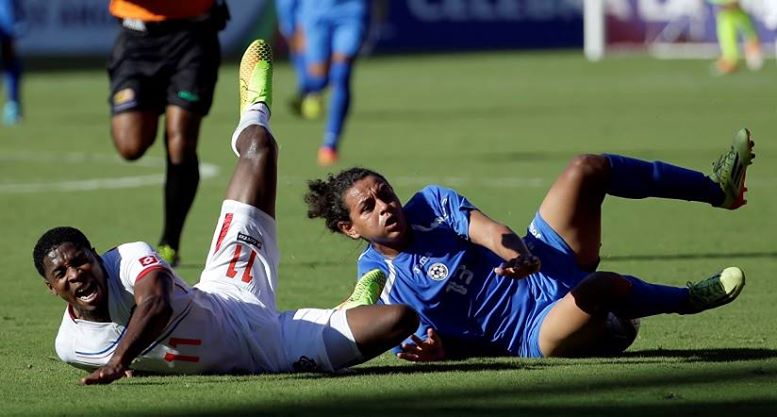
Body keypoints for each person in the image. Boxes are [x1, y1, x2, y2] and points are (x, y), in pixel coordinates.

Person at [32, 40, 418, 385]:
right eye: (61, 274)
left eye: (80, 261)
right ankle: (346, 311)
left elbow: (157, 304)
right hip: (272, 349)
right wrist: (132, 363)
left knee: (260, 148)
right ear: (52, 289)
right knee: (399, 319)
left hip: (231, 291)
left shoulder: (127, 258)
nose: (75, 274)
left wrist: (120, 361)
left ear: (96, 257)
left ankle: (254, 108)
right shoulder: (71, 346)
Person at [305, 129, 755, 360]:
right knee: (597, 288)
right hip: (532, 331)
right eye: (368, 208)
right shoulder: (379, 286)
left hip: (543, 260)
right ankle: (687, 299)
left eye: (385, 192)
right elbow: (433, 343)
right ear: (351, 229)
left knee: (586, 168)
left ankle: (718, 188)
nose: (386, 206)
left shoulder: (429, 204)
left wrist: (516, 253)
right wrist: (436, 352)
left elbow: (486, 229)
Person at [107, 0, 229, 266]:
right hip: (136, 38)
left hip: (192, 37)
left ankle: (170, 242)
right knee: (130, 146)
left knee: (180, 142)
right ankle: (159, 100)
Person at [295, 0, 370, 166]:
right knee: (318, 79)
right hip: (316, 12)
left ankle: (330, 143)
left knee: (341, 74)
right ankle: (306, 90)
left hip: (351, 11)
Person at [708, 0, 762, 74]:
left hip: (739, 13)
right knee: (726, 30)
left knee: (747, 31)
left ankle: (752, 53)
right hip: (728, 15)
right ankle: (730, 59)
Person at [0, 0, 22, 125]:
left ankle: (12, 105)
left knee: (10, 60)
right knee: (11, 61)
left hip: (7, 20)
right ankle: (12, 105)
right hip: (7, 20)